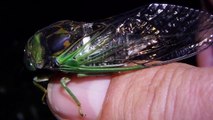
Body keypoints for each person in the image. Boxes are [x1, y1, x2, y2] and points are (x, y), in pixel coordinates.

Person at [47, 2, 213, 120]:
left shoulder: (61, 61)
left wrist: (79, 105)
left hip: (107, 50)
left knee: (62, 84)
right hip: (103, 36)